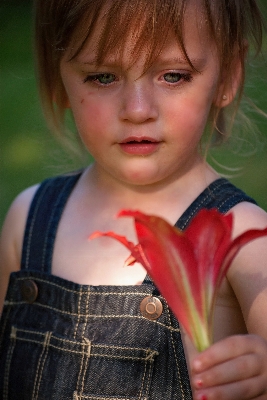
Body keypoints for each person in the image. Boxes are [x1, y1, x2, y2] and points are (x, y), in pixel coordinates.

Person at [0, 0, 267, 398]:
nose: (137, 110)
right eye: (103, 76)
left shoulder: (244, 235)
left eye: (173, 76)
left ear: (228, 75)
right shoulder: (29, 219)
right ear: (60, 84)